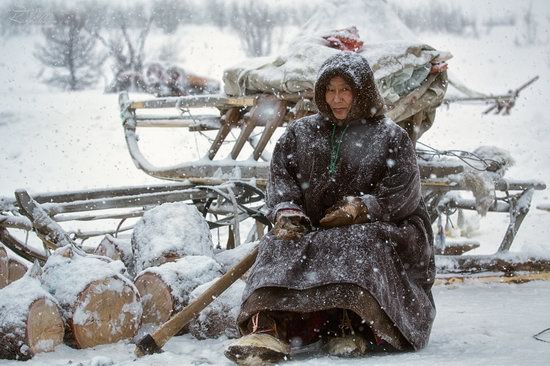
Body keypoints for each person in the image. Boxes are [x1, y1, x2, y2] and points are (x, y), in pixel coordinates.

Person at [225, 52, 436, 365]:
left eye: (345, 90)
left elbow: (403, 195)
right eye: (329, 90)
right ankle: (266, 329)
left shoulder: (390, 136)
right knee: (279, 242)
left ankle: (352, 326)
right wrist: (288, 212)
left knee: (357, 241)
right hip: (314, 225)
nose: (337, 99)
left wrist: (361, 209)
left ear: (362, 92)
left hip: (384, 225)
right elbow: (282, 182)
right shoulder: (300, 134)